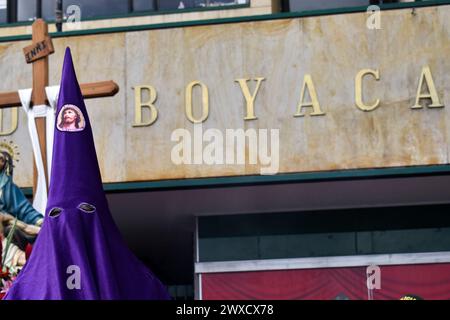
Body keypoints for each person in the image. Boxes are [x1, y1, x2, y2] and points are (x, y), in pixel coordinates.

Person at [3, 47, 171, 300]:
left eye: (86, 210)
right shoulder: (24, 291)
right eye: (57, 214)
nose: (72, 225)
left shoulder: (141, 287)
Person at [0, 151, 43, 227]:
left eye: (2, 159)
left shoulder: (7, 187)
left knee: (15, 230)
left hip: (4, 225)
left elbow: (23, 209)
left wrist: (39, 221)